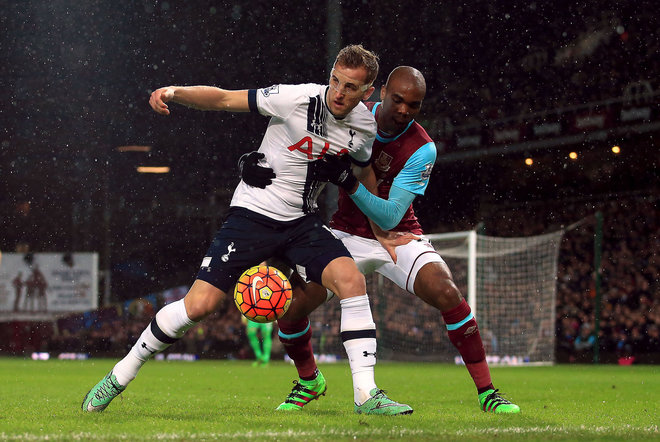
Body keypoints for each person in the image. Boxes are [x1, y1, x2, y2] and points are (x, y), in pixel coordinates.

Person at [82, 44, 412, 415]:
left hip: (302, 222)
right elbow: (223, 100)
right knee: (199, 306)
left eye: (350, 87)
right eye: (335, 81)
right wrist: (174, 92)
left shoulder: (365, 126)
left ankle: (366, 395)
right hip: (252, 216)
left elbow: (364, 172)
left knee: (351, 280)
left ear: (367, 93)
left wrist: (379, 227)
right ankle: (119, 375)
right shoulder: (295, 99)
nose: (338, 92)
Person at [241, 66, 521, 414]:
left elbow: (388, 216)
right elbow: (300, 146)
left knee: (447, 292)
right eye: (398, 100)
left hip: (398, 237)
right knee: (290, 306)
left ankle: (488, 392)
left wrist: (349, 181)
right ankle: (309, 381)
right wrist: (255, 166)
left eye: (414, 105)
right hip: (344, 234)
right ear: (382, 91)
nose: (404, 110)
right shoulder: (352, 116)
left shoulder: (423, 148)